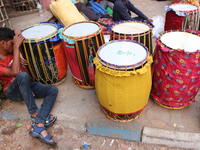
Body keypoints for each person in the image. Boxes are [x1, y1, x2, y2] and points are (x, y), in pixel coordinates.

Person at [0, 27, 58, 145]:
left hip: (27, 86)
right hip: (12, 91)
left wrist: (17, 50)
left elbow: (17, 30)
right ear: (2, 43)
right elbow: (15, 72)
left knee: (53, 89)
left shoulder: (11, 50)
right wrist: (16, 48)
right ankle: (34, 112)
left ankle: (39, 123)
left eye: (14, 43)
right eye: (11, 44)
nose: (13, 45)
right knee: (22, 75)